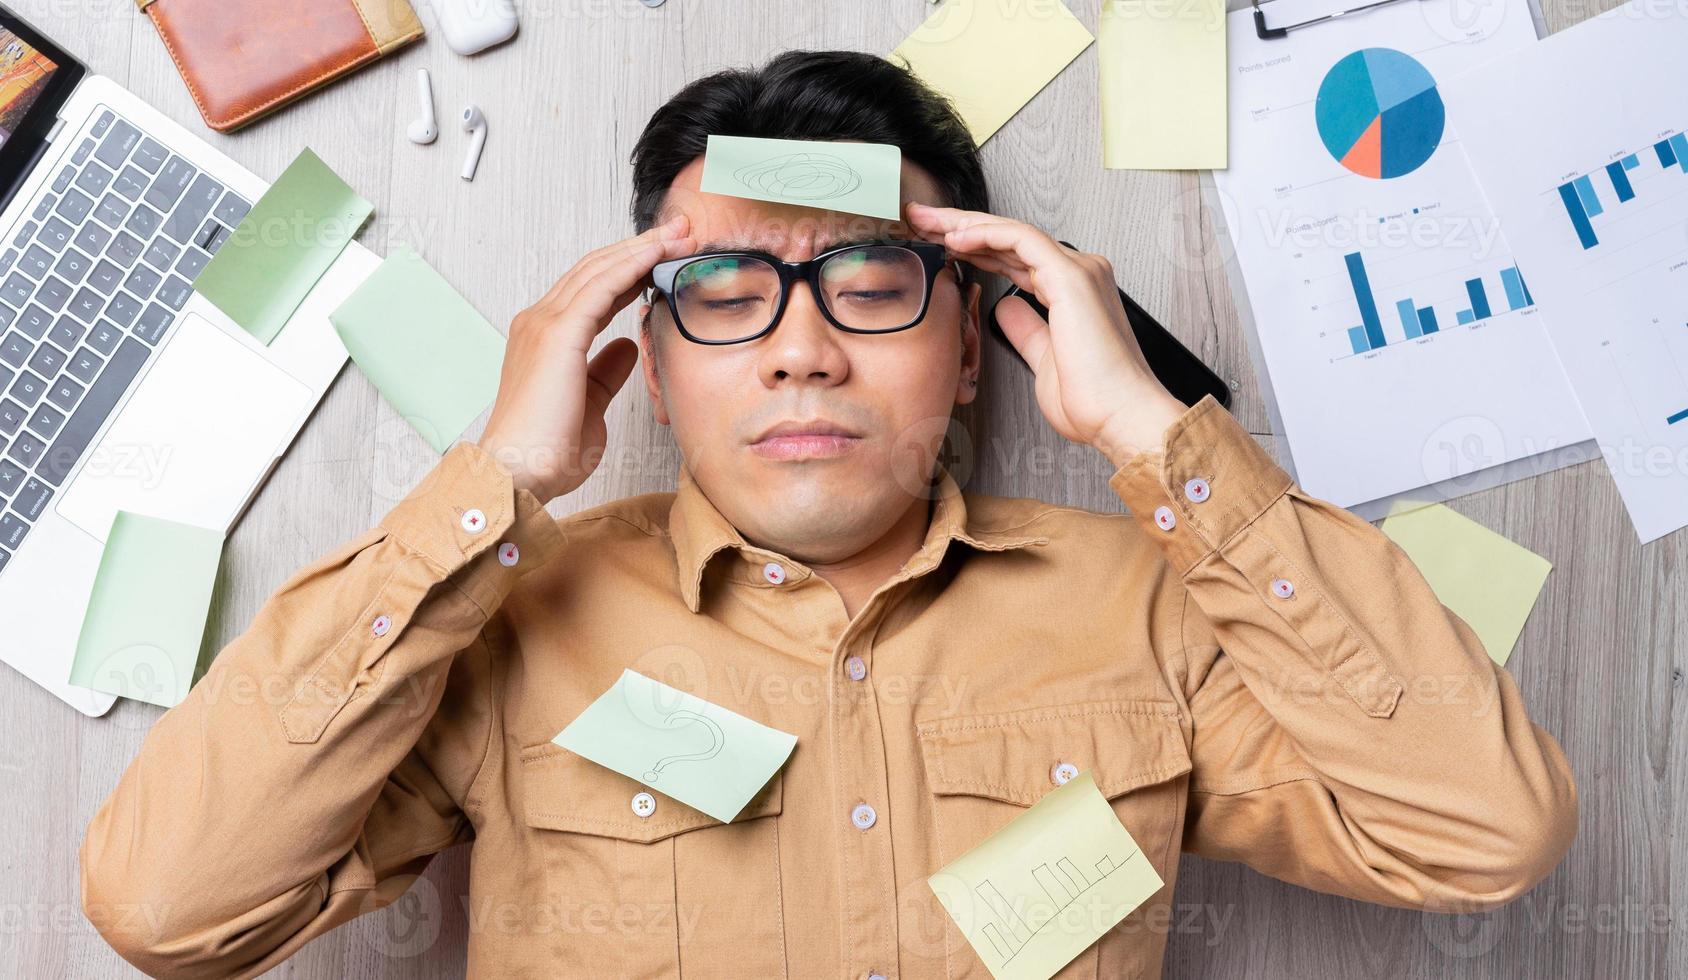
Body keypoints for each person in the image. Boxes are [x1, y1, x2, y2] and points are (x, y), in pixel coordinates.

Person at [80, 50, 1576, 979]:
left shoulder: (1148, 608)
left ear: (977, 335)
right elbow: (168, 907)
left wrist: (1152, 433)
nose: (803, 345)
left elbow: (1486, 836)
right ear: (645, 363)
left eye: (870, 285)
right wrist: (497, 486)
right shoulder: (514, 621)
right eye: (722, 295)